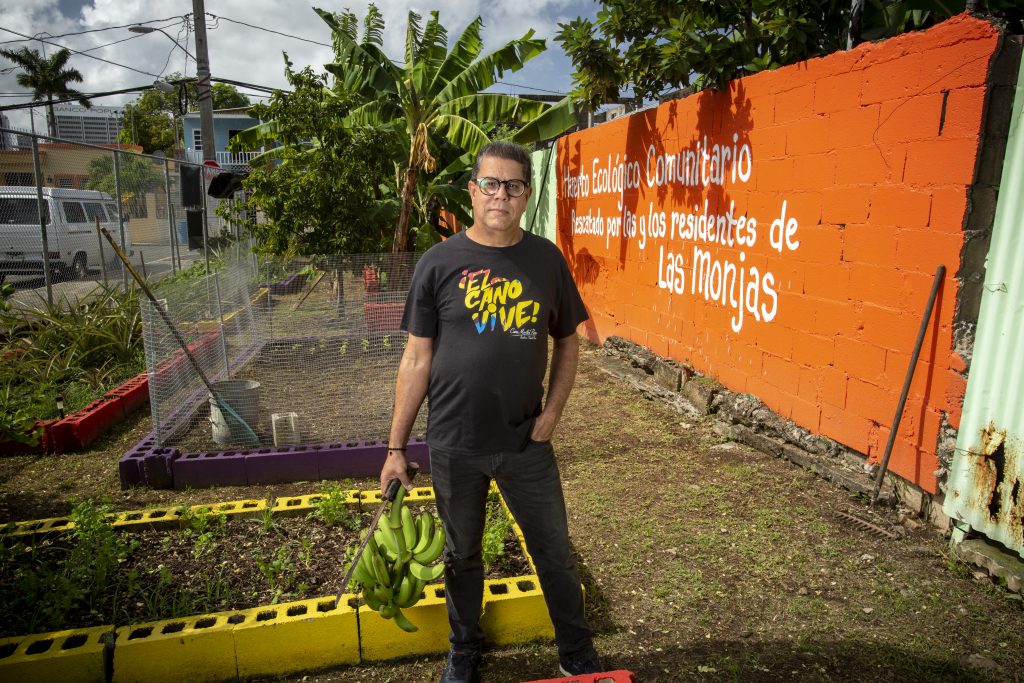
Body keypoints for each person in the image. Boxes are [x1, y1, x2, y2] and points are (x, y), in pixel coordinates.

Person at [380, 141, 603, 682]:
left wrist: (553, 412)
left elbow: (569, 340)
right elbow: (415, 358)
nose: (500, 194)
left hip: (527, 443)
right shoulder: (438, 263)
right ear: (473, 191)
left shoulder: (546, 260)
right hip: (454, 443)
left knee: (552, 550)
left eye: (513, 185)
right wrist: (395, 449)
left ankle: (575, 651)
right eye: (490, 184)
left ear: (526, 195)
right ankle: (463, 649)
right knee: (461, 558)